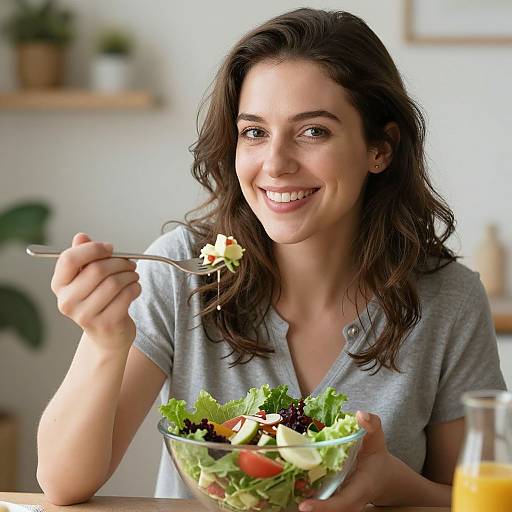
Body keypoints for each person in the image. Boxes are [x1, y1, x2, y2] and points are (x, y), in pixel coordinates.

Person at [36, 7, 506, 511]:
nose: (276, 165)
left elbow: (477, 502)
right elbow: (64, 485)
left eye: (313, 132)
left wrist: (391, 483)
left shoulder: (447, 299)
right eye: (255, 132)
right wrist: (104, 341)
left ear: (380, 148)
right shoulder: (181, 271)